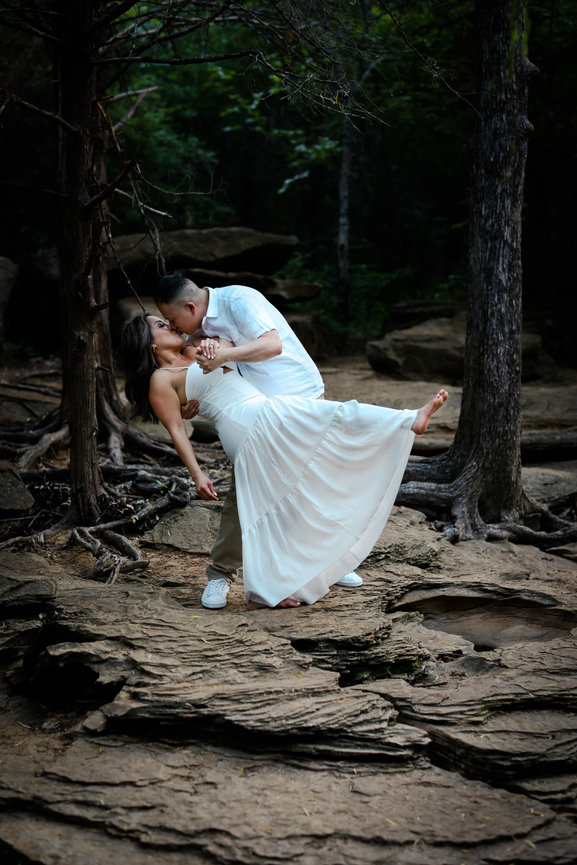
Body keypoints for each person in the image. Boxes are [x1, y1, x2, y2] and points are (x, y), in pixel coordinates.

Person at [121, 313, 448, 610]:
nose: (170, 325)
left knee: (297, 485)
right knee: (323, 426)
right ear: (149, 342)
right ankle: (407, 420)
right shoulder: (161, 380)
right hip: (242, 425)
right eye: (161, 325)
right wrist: (198, 474)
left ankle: (308, 572)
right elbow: (176, 429)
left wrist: (212, 343)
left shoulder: (197, 349)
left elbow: (235, 349)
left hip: (265, 408)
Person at [154, 274, 363, 610]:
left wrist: (223, 357)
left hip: (300, 396)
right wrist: (193, 399)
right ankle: (220, 576)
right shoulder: (199, 330)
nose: (173, 326)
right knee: (244, 494)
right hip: (259, 414)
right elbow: (200, 369)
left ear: (190, 307)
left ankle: (329, 563)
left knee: (307, 486)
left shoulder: (238, 301)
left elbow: (272, 345)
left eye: (174, 319)